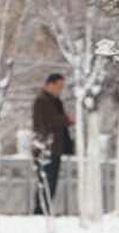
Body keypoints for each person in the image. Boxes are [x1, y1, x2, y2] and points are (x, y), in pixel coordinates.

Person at [32, 73, 75, 215]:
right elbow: (47, 122)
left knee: (51, 182)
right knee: (46, 182)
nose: (61, 89)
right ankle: (40, 211)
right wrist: (66, 119)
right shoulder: (42, 101)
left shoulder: (54, 100)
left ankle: (44, 210)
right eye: (59, 86)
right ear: (50, 84)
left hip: (54, 147)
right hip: (46, 148)